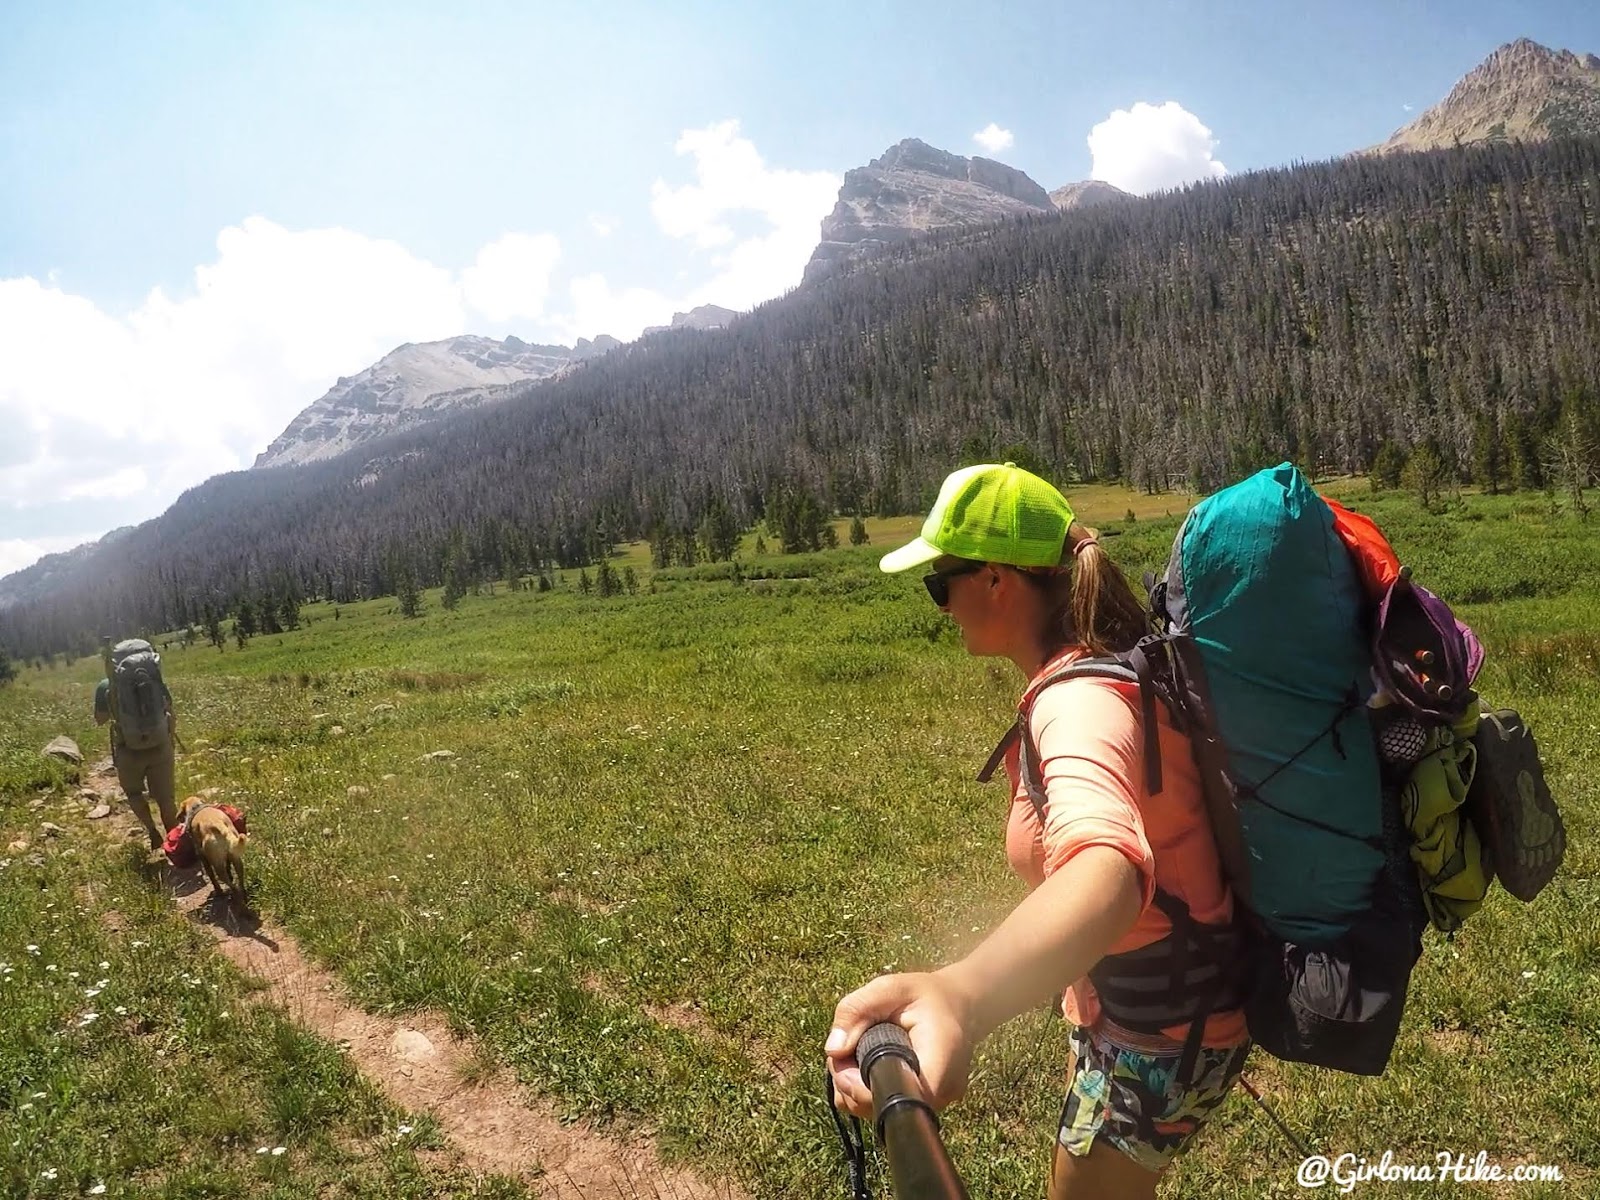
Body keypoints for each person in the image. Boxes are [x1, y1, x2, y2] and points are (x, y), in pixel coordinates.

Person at [824, 463, 1250, 1200]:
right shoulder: (1098, 668)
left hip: (1158, 1033)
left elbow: (1107, 871)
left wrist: (960, 996)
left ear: (996, 581)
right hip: (1157, 1008)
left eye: (940, 583)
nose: (940, 606)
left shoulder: (1077, 701)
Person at [94, 666, 177, 848]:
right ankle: (176, 842)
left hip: (128, 749)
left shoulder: (105, 686)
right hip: (159, 745)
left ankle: (152, 831)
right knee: (166, 798)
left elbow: (100, 720)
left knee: (134, 793)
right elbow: (169, 709)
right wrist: (169, 738)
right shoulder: (153, 679)